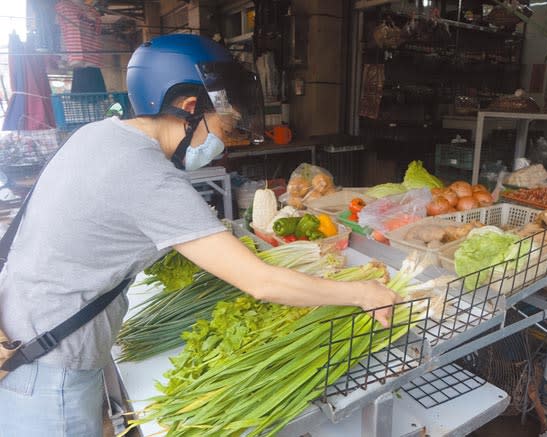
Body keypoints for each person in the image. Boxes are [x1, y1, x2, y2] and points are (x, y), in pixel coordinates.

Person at [0, 34, 399, 436]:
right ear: (190, 108)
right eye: (224, 126)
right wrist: (363, 293)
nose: (224, 142)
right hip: (48, 371)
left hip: (28, 336)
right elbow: (260, 282)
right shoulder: (146, 176)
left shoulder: (100, 134)